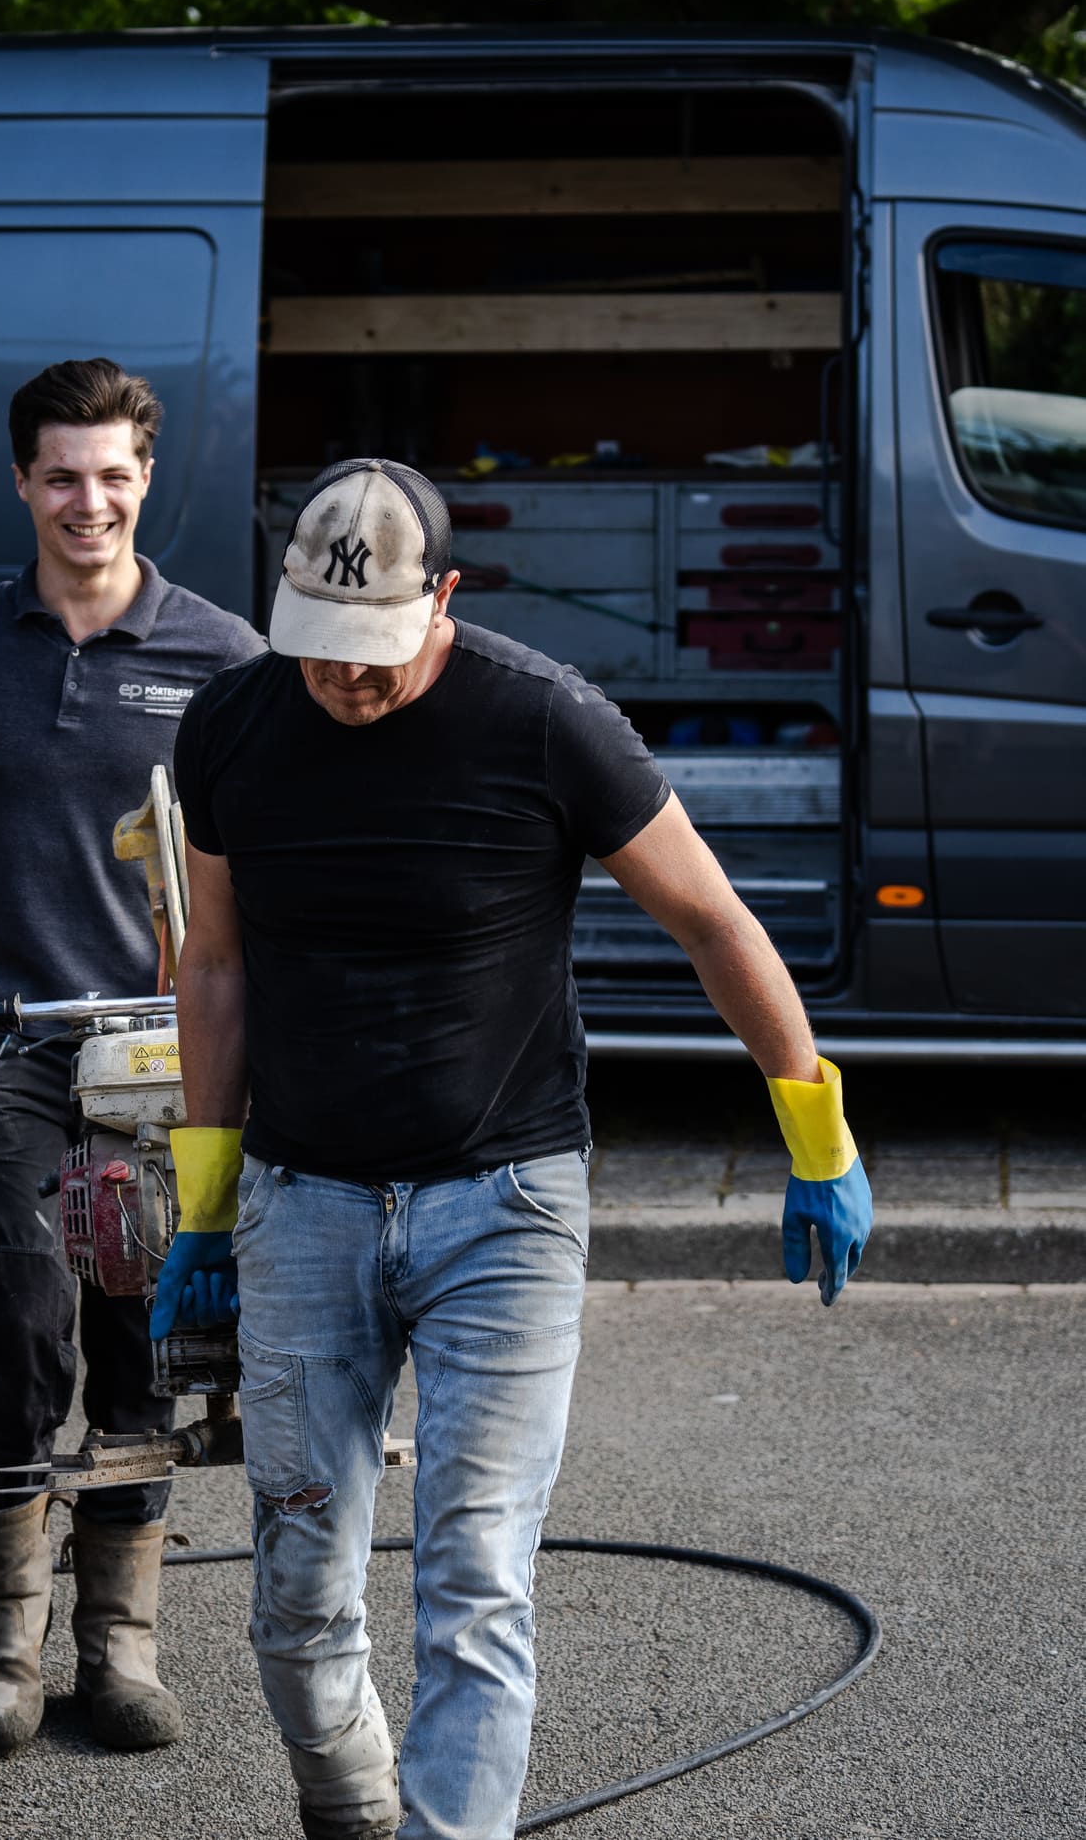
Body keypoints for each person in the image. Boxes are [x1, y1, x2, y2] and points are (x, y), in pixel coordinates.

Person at [152, 458, 874, 1840]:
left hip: (507, 1199)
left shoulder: (545, 723)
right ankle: (353, 1802)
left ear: (447, 599)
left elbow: (713, 923)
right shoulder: (233, 726)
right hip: (303, 1196)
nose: (346, 685)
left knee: (475, 1579)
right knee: (299, 1594)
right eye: (320, 653)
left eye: (375, 658)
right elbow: (218, 967)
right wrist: (202, 1202)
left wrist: (814, 1131)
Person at [0, 358, 262, 1757]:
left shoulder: (222, 655)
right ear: (21, 482)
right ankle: (2, 1640)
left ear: (147, 476)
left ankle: (121, 1645)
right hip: (10, 1042)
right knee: (18, 1315)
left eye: (111, 474)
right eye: (59, 475)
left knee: (145, 1327)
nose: (86, 500)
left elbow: (265, 851)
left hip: (157, 1054)